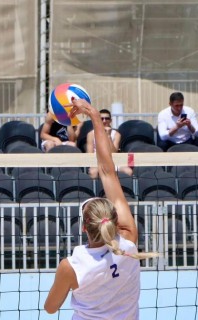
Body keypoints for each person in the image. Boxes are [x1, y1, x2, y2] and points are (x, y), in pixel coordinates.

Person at [44, 98, 158, 318]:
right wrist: (94, 115)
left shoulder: (72, 266)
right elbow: (108, 171)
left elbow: (50, 308)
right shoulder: (128, 241)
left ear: (84, 228)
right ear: (115, 221)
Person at [86, 109, 132, 179]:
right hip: (97, 161)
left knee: (128, 171)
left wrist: (108, 136)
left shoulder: (116, 134)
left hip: (113, 160)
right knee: (93, 172)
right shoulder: (91, 134)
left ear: (110, 120)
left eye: (107, 118)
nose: (104, 121)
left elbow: (114, 152)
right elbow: (90, 154)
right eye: (102, 119)